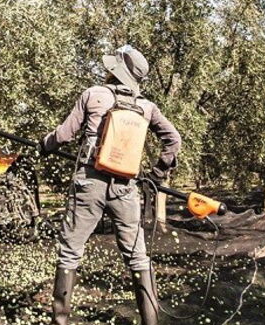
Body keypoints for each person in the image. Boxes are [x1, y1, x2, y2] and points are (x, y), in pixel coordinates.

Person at [39, 45, 181, 325]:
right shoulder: (147, 107)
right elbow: (173, 140)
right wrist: (156, 174)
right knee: (138, 256)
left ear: (115, 71)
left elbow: (65, 134)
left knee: (70, 251)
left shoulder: (93, 94)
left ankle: (61, 321)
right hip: (125, 188)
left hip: (89, 183)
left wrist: (45, 145)